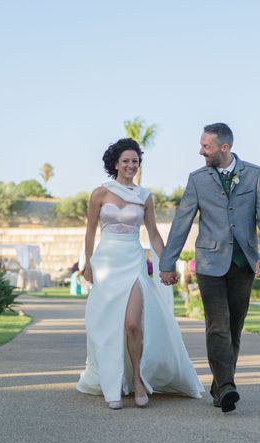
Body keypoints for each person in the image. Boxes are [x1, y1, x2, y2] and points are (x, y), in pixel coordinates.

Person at [76, 138, 204, 410]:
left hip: (133, 261)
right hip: (107, 264)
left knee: (133, 324)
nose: (131, 165)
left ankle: (137, 380)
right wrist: (86, 265)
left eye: (135, 161)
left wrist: (167, 262)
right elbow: (89, 232)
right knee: (109, 327)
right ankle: (112, 383)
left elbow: (154, 234)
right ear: (115, 164)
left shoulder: (145, 196)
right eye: (126, 161)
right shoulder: (100, 193)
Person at [159, 123, 260, 413]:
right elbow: (182, 222)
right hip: (210, 264)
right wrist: (167, 263)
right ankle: (226, 387)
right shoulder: (197, 179)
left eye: (206, 146)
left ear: (224, 147)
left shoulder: (255, 174)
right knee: (218, 324)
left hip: (243, 264)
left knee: (234, 328)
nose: (201, 151)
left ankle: (220, 384)